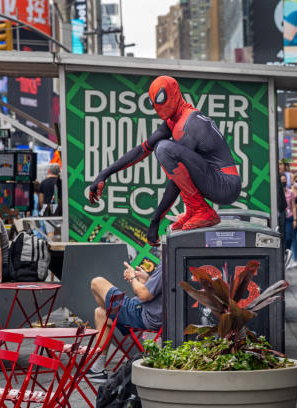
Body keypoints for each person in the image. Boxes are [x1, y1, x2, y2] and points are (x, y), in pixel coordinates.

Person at [88, 76, 241, 246]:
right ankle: (195, 209)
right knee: (163, 148)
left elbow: (177, 178)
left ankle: (201, 210)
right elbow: (141, 150)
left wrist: (155, 220)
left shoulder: (190, 124)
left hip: (225, 185)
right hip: (214, 180)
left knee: (164, 148)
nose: (158, 107)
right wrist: (103, 175)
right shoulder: (174, 121)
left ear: (174, 93)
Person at [87, 261, 163, 383]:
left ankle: (114, 312)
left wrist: (133, 277)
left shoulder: (168, 259)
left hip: (143, 315)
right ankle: (97, 370)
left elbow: (143, 294)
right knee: (101, 313)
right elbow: (156, 291)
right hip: (151, 315)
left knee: (97, 282)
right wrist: (147, 279)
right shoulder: (176, 257)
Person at [282, 173, 297, 267]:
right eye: (281, 180)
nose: (283, 181)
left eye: (285, 180)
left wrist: (295, 219)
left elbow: (293, 206)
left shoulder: (290, 192)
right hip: (280, 217)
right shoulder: (276, 193)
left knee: (289, 238)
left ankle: (287, 255)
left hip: (289, 217)